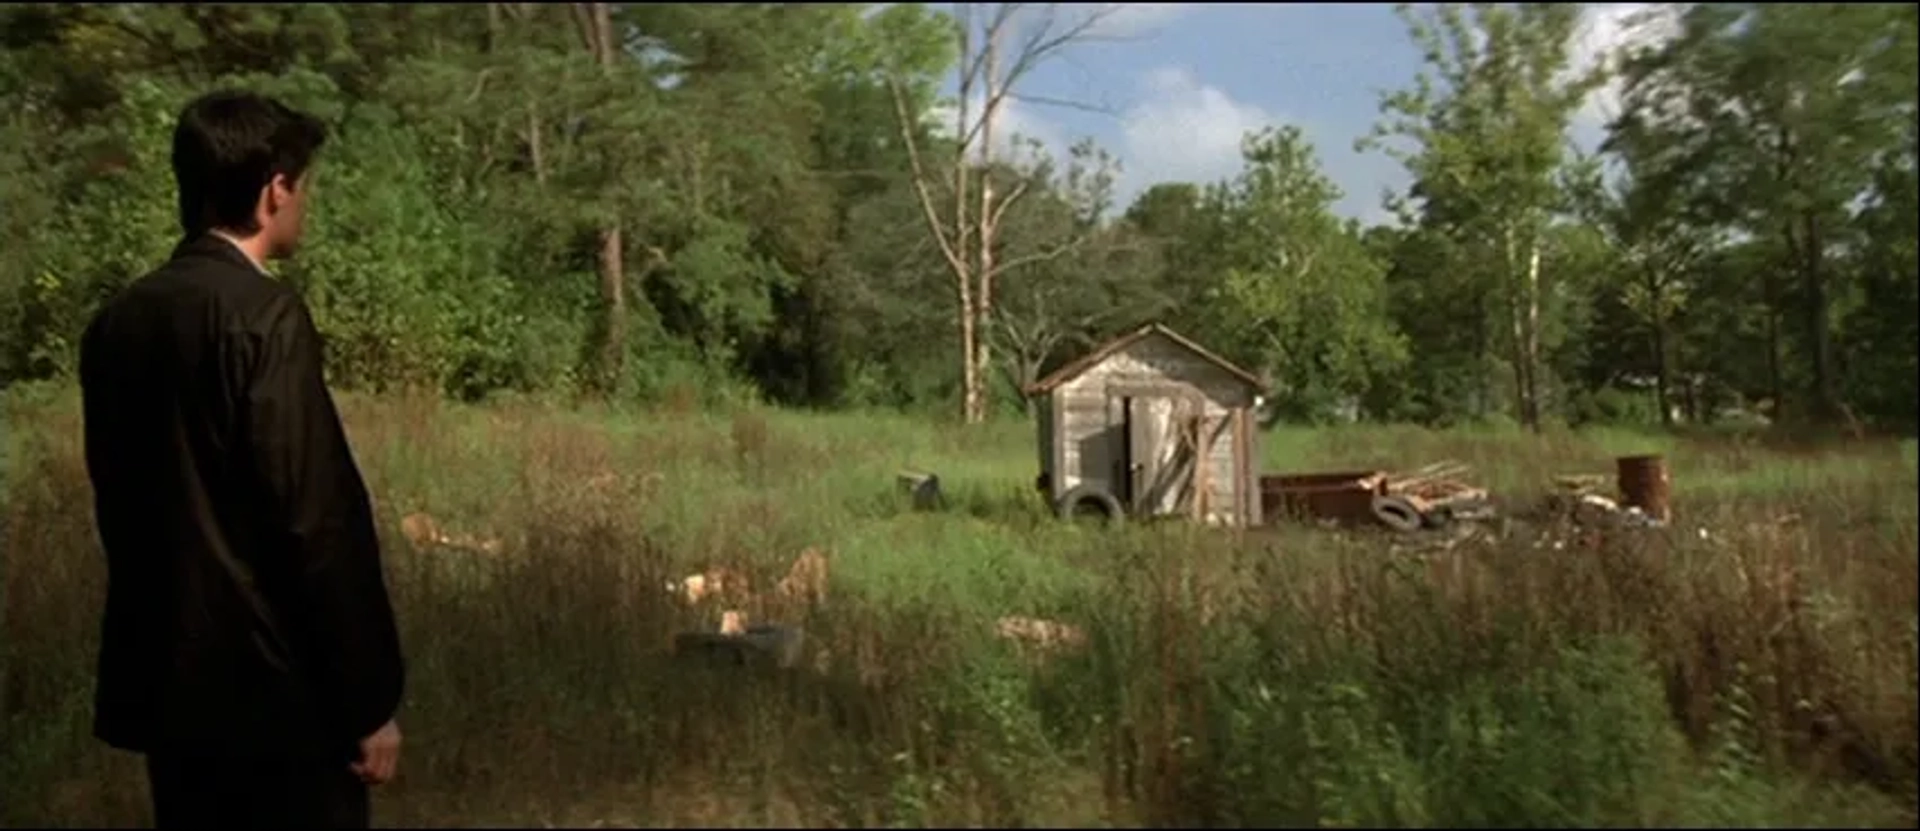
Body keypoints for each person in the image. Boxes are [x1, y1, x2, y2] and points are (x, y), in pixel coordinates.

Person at [77, 89, 406, 829]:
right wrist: (368, 698)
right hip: (279, 700)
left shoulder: (117, 321)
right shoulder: (265, 317)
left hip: (169, 687)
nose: (304, 203)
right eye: (303, 187)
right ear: (273, 190)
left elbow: (121, 501)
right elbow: (313, 520)